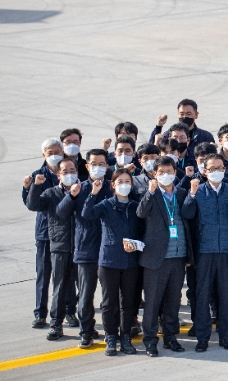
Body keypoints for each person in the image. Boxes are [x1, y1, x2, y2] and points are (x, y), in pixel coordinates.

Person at [81, 169, 143, 356]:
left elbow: (143, 230)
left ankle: (125, 337)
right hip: (108, 260)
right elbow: (87, 214)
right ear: (113, 185)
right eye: (120, 181)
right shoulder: (106, 205)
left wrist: (137, 245)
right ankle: (111, 337)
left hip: (130, 261)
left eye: (127, 181)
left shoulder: (135, 206)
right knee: (109, 302)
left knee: (128, 302)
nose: (124, 185)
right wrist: (93, 193)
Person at [136, 156, 193, 357]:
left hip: (178, 256)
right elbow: (141, 213)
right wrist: (150, 192)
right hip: (156, 258)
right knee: (152, 302)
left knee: (173, 300)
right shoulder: (149, 194)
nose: (166, 176)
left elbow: (188, 220)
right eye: (161, 172)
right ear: (154, 174)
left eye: (169, 172)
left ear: (175, 172)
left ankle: (170, 337)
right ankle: (150, 340)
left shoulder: (183, 193)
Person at [181, 154, 228, 352]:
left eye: (220, 168)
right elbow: (187, 214)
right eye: (212, 168)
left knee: (225, 296)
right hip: (204, 252)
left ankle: (225, 337)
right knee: (202, 295)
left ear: (225, 169)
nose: (216, 172)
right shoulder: (198, 191)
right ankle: (202, 338)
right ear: (204, 171)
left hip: (227, 251)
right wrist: (192, 193)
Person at [27, 157, 80, 341]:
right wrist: (35, 186)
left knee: (83, 286)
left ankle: (77, 317)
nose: (69, 174)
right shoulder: (50, 193)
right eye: (65, 172)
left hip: (82, 246)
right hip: (60, 245)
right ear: (58, 175)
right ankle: (56, 324)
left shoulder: (84, 190)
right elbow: (33, 205)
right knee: (60, 285)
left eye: (72, 171)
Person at [65, 149, 114, 348]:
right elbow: (62, 211)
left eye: (102, 164)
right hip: (86, 250)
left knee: (110, 295)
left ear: (107, 166)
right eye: (94, 164)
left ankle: (114, 329)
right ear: (87, 166)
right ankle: (86, 330)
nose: (98, 168)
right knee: (85, 295)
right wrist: (71, 196)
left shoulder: (113, 187)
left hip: (110, 250)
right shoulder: (79, 188)